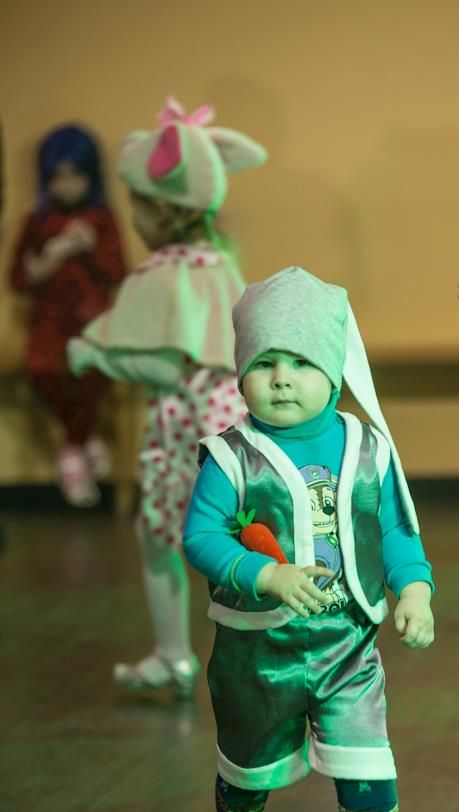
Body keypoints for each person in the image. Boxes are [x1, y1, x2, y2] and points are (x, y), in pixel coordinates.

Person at [183, 266, 435, 812]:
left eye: (301, 361)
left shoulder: (368, 447)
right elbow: (201, 537)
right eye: (264, 363)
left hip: (349, 643)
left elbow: (395, 530)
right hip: (259, 652)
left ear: (334, 368)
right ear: (241, 373)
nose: (282, 378)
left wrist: (414, 589)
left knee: (367, 755)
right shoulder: (232, 457)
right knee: (251, 761)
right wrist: (264, 575)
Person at [67, 98, 267, 697]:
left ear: (160, 208)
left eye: (137, 204)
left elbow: (160, 363)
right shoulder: (221, 263)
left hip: (185, 432)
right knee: (239, 536)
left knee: (159, 538)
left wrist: (95, 353)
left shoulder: (160, 274)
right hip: (235, 427)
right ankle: (263, 659)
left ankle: (174, 656)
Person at [9, 124, 126, 505]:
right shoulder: (37, 221)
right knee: (42, 375)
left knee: (95, 376)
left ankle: (74, 449)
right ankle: (81, 442)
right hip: (47, 327)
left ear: (91, 176)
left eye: (75, 176)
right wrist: (46, 262)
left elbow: (119, 273)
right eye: (57, 177)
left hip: (92, 324)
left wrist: (91, 248)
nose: (66, 186)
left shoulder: (102, 220)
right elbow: (17, 280)